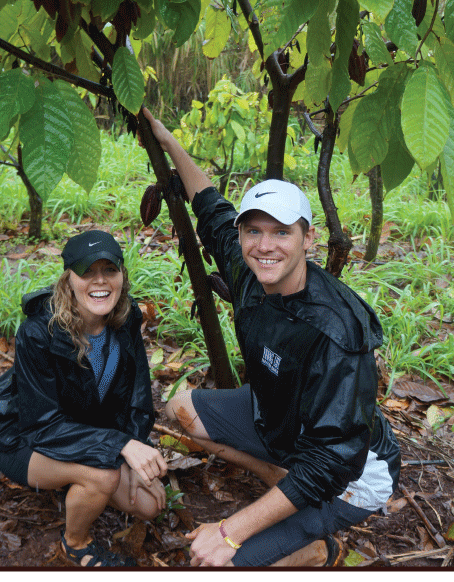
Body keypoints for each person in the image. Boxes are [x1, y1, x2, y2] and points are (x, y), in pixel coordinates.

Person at [141, 108, 401, 567]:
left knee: (223, 565)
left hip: (350, 472)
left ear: (308, 238)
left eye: (282, 232)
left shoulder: (338, 330)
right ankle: (277, 477)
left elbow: (332, 461)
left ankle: (319, 548)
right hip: (281, 425)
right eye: (254, 231)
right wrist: (168, 140)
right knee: (181, 409)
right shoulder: (248, 272)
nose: (266, 246)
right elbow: (210, 205)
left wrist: (230, 529)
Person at [0, 229, 167, 567]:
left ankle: (73, 479)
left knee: (150, 505)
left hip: (84, 431)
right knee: (102, 477)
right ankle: (76, 545)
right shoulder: (39, 331)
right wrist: (121, 447)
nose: (100, 281)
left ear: (122, 275)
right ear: (68, 279)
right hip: (24, 438)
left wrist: (133, 444)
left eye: (110, 270)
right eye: (87, 271)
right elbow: (41, 425)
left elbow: (138, 397)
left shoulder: (126, 317)